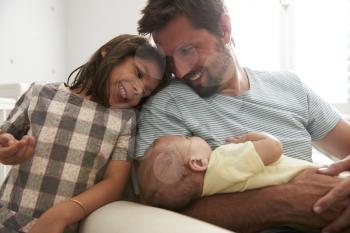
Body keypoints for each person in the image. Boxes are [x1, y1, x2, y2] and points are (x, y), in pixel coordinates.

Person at [135, 0, 350, 232]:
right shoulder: (167, 108)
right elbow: (158, 211)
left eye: (187, 50)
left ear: (224, 28)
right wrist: (282, 201)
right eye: (169, 59)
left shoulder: (291, 87)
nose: (180, 70)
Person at [0, 34, 167, 233]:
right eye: (139, 74)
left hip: (62, 226)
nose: (138, 89)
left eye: (146, 91)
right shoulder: (39, 93)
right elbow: (5, 137)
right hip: (7, 216)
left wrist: (64, 213)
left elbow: (115, 182)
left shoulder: (125, 121)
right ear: (107, 54)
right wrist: (6, 147)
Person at [138, 132, 313, 211]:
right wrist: (246, 138)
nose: (191, 136)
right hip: (307, 178)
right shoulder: (224, 162)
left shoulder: (208, 192)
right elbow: (274, 147)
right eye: (187, 138)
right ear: (198, 162)